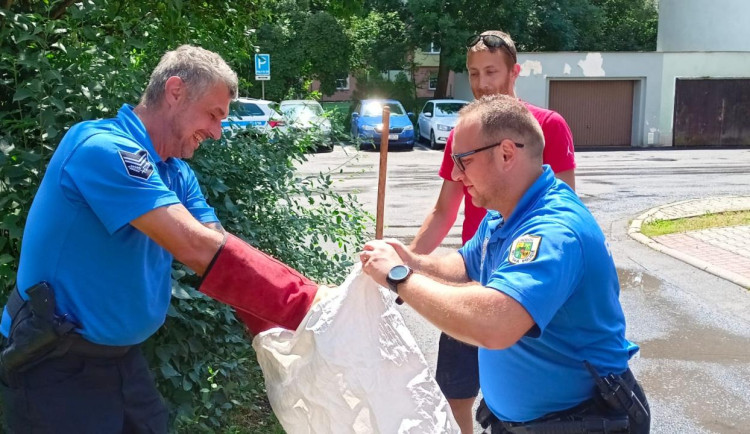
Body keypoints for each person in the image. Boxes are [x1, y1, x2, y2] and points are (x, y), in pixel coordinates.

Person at [0, 45, 319, 433]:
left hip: (122, 361)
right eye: (214, 115)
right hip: (55, 365)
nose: (218, 132)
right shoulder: (102, 149)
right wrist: (311, 305)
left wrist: (303, 306)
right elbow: (197, 249)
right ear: (175, 91)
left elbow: (219, 246)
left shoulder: (174, 172)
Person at [362, 95, 649, 433]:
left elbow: (495, 324)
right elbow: (465, 265)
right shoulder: (505, 213)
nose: (455, 173)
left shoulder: (555, 231)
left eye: (462, 159)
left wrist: (401, 278)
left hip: (582, 422)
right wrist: (412, 260)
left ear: (506, 153)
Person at [409, 30, 577, 433]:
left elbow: (565, 206)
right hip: (474, 272)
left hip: (526, 278)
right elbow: (443, 210)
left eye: (491, 72)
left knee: (526, 395)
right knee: (455, 391)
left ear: (514, 72)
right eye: (473, 73)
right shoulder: (462, 135)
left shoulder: (548, 127)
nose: (482, 84)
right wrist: (404, 261)